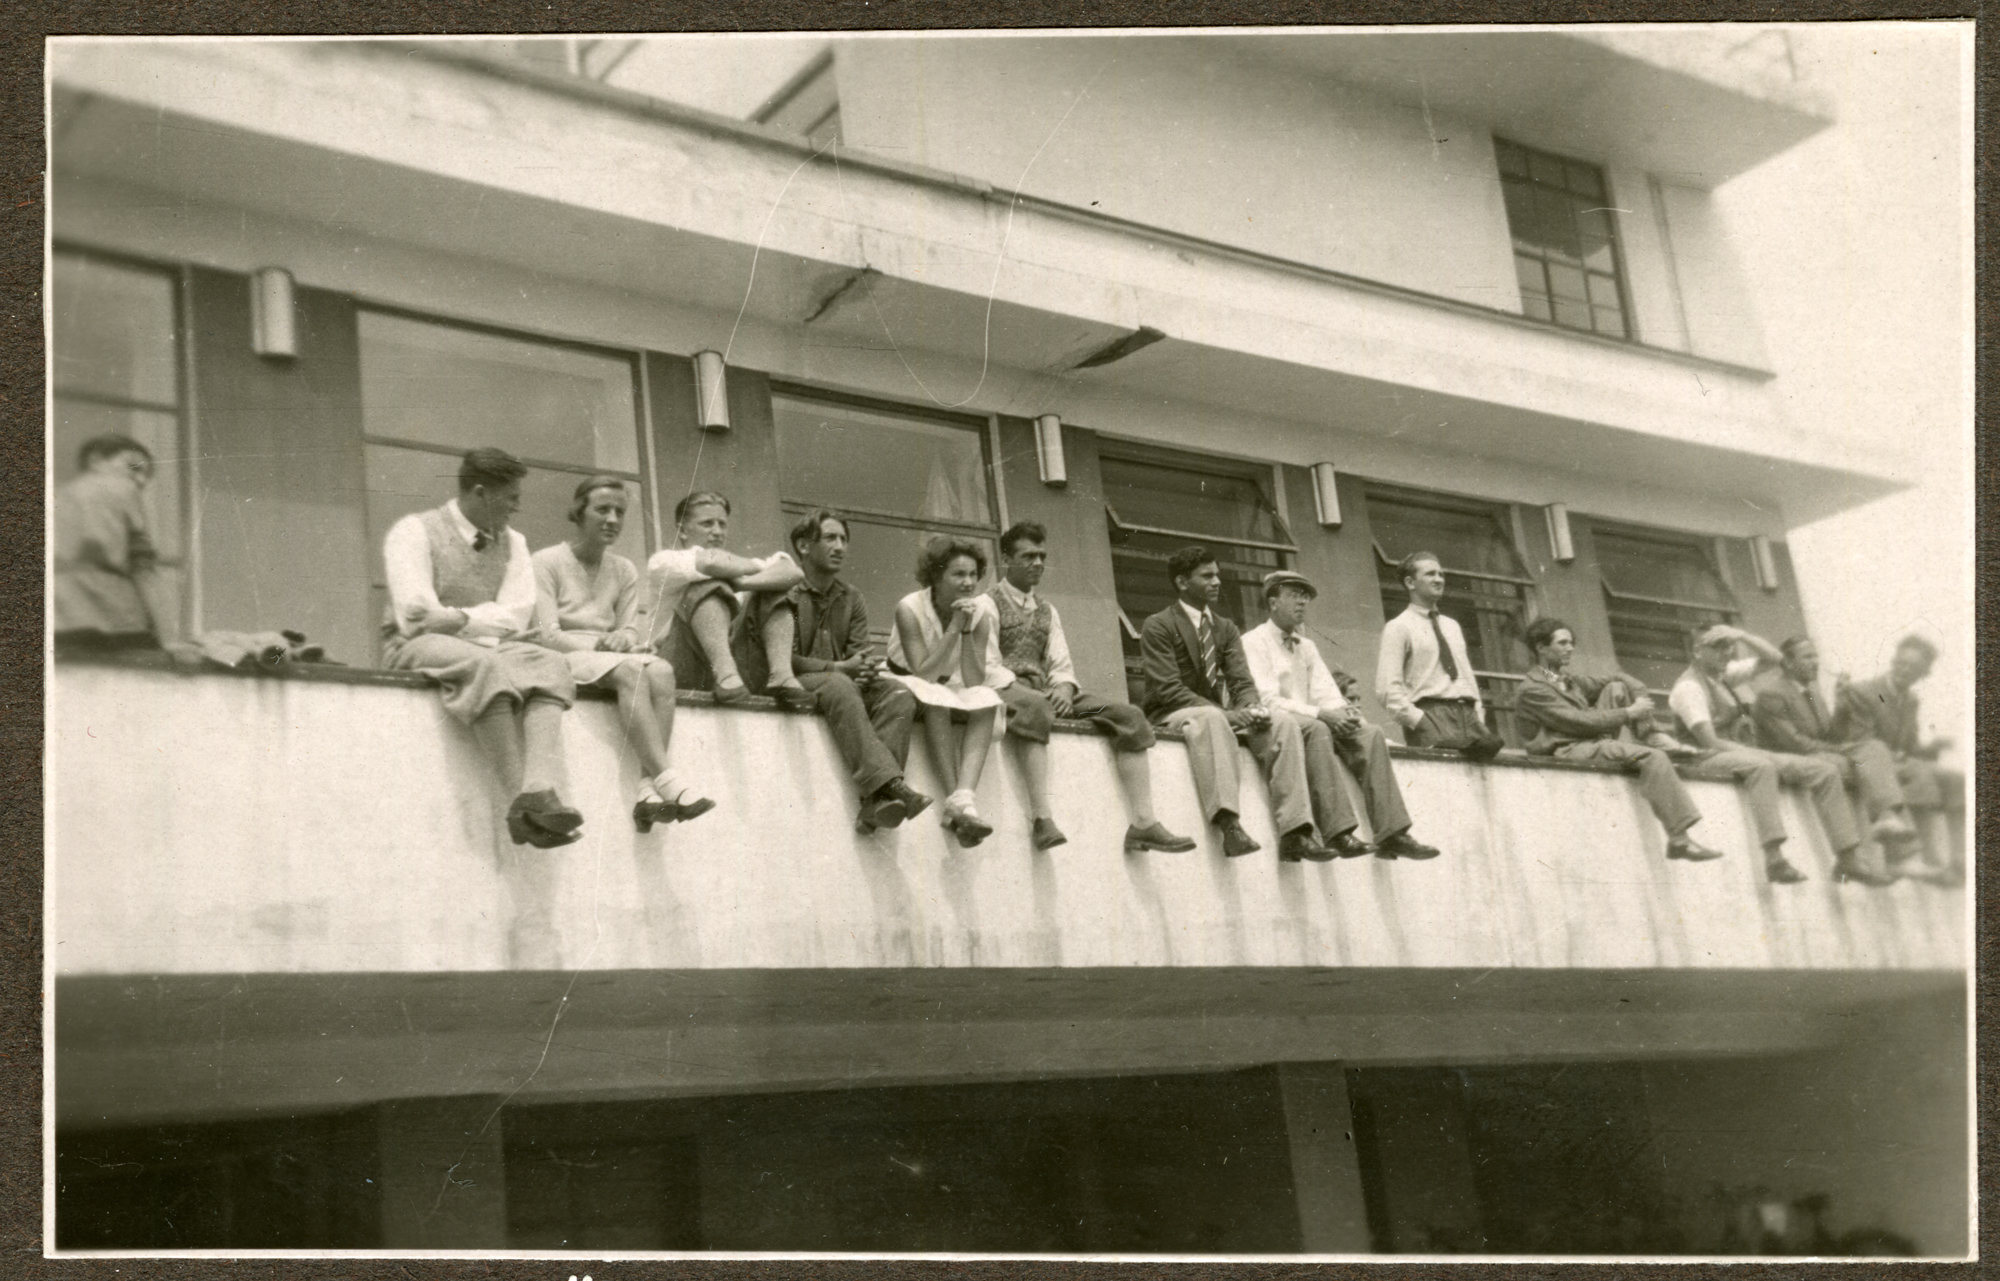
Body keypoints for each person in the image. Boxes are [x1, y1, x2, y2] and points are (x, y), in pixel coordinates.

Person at [381, 447, 584, 849]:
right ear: (479, 493)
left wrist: (458, 619)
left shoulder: (516, 543)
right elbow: (417, 615)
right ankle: (517, 803)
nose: (516, 507)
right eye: (510, 498)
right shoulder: (414, 531)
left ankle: (538, 788)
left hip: (483, 644)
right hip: (412, 646)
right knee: (484, 664)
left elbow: (518, 614)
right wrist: (482, 620)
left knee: (549, 663)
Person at [988, 522, 1196, 855]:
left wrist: (1065, 690)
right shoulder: (987, 605)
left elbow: (1061, 663)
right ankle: (1042, 818)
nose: (1038, 563)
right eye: (1028, 556)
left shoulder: (1047, 610)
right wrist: (1036, 694)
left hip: (1048, 691)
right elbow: (987, 667)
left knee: (1126, 714)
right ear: (1005, 559)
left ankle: (1143, 823)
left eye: (1042, 556)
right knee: (1036, 708)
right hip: (1008, 690)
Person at [532, 477, 714, 834]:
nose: (613, 519)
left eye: (619, 511)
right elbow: (547, 634)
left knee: (661, 671)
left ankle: (647, 791)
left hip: (610, 657)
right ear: (579, 512)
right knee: (633, 671)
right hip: (565, 654)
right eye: (602, 509)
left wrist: (620, 638)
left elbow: (630, 630)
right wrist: (602, 644)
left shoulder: (624, 569)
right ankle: (668, 778)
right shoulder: (546, 561)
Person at [736, 510, 931, 834]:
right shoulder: (785, 590)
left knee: (899, 694)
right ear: (803, 545)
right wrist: (840, 668)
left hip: (840, 684)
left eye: (843, 539)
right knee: (839, 683)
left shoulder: (851, 597)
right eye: (830, 538)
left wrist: (865, 669)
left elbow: (860, 652)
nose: (840, 546)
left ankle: (876, 801)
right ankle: (892, 786)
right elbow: (783, 657)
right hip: (793, 682)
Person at [1140, 548, 1322, 863]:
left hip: (1217, 715)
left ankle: (1296, 831)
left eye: (1217, 574)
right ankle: (1230, 826)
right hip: (1172, 712)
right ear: (1183, 582)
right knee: (1211, 717)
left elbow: (1240, 681)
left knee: (1283, 722)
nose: (1216, 581)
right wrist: (1228, 714)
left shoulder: (1224, 628)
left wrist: (1252, 708)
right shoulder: (1158, 624)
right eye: (1207, 576)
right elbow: (1168, 688)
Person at [1243, 570, 1440, 862]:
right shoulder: (1254, 641)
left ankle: (1392, 834)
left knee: (1369, 732)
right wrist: (1324, 714)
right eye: (1294, 595)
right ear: (1272, 602)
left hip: (1312, 721)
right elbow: (1269, 699)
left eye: (1305, 597)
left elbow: (1328, 694)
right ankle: (1338, 832)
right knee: (1318, 728)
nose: (1302, 603)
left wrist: (1345, 716)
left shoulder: (1306, 646)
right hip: (1277, 723)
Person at [1667, 624, 1876, 885]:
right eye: (1717, 647)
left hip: (1739, 753)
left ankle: (1847, 856)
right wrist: (1755, 752)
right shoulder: (1689, 687)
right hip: (1704, 756)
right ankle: (1774, 858)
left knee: (1824, 770)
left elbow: (1777, 659)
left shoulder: (1723, 675)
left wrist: (1741, 635)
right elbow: (1708, 741)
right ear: (1698, 651)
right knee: (1762, 765)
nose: (1726, 652)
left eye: (1728, 646)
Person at [1513, 617, 1726, 864]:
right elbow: (1577, 722)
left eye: (1571, 642)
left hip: (1587, 743)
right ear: (1541, 647)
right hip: (1564, 749)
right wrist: (1629, 713)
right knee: (1651, 757)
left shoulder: (1565, 679)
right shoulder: (1533, 689)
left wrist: (1633, 687)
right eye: (1563, 643)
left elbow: (1614, 679)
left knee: (1616, 686)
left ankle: (1652, 735)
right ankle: (1679, 839)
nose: (1570, 648)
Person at [1752, 635, 1924, 864]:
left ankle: (1887, 817)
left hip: (1819, 753)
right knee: (1856, 761)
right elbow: (1795, 744)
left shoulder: (1811, 689)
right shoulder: (1771, 693)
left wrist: (1841, 707)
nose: (1815, 662)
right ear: (1788, 663)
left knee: (1874, 747)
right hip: (1793, 758)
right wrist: (1839, 749)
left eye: (1816, 656)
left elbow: (1829, 734)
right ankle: (1894, 847)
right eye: (1807, 657)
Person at [887, 536, 1008, 847]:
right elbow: (923, 672)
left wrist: (968, 628)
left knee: (986, 699)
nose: (968, 582)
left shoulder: (980, 612)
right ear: (936, 577)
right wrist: (955, 626)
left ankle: (963, 799)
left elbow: (973, 679)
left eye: (972, 575)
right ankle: (958, 806)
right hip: (907, 679)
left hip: (948, 681)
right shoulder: (909, 607)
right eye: (958, 574)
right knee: (936, 699)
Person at [646, 491, 809, 709]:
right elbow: (710, 563)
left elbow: (793, 573)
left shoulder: (736, 569)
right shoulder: (664, 562)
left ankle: (781, 676)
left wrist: (741, 584)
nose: (717, 532)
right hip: (678, 667)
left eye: (722, 524)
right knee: (708, 584)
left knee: (774, 590)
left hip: (737, 677)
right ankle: (725, 674)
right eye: (707, 524)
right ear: (683, 531)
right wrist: (757, 569)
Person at [1830, 634, 1963, 881]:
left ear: (1924, 673)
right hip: (1864, 758)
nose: (1903, 670)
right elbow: (1863, 740)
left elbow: (1908, 746)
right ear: (1893, 661)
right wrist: (1903, 757)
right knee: (1919, 772)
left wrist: (1931, 747)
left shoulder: (1910, 700)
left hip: (1892, 760)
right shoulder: (1865, 692)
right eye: (1900, 663)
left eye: (1912, 667)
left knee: (1955, 779)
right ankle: (1919, 855)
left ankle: (1960, 863)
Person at [53, 435, 178, 655]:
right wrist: (169, 638)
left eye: (145, 476)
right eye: (133, 467)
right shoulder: (122, 489)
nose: (140, 480)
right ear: (96, 461)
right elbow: (143, 569)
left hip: (61, 616)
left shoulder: (54, 495)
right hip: (113, 612)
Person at [1376, 551, 1505, 761]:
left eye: (1441, 574)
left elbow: (1467, 676)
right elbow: (1387, 689)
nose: (1438, 579)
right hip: (1432, 714)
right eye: (1430, 574)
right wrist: (1420, 721)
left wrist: (1478, 716)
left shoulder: (1451, 626)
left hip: (1469, 716)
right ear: (1410, 582)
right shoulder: (1399, 627)